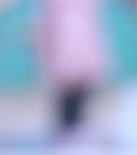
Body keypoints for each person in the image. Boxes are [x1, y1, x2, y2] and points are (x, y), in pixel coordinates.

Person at [37, 0, 105, 142]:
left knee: (74, 95)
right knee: (70, 96)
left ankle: (71, 130)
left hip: (73, 54)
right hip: (71, 54)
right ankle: (70, 131)